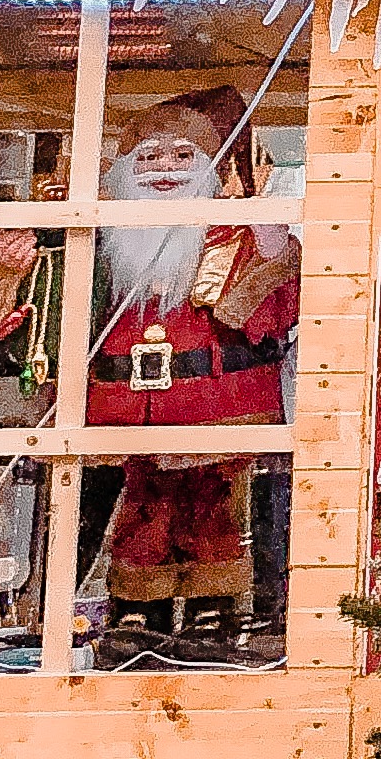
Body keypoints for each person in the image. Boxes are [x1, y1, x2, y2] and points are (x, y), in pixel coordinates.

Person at [82, 85, 300, 653]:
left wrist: (272, 249)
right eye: (149, 158)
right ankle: (137, 607)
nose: (164, 170)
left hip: (217, 402)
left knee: (213, 509)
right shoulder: (106, 243)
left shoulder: (238, 237)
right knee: (142, 510)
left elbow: (278, 309)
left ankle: (213, 608)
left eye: (182, 156)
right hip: (130, 405)